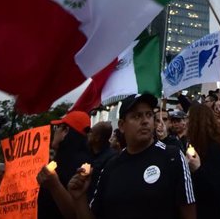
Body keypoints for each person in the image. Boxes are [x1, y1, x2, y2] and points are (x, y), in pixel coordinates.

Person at [67, 94, 196, 219]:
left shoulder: (172, 156)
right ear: (122, 126)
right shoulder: (110, 167)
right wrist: (80, 199)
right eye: (137, 116)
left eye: (149, 115)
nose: (145, 121)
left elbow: (188, 212)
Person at [186, 103, 220, 219]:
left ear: (196, 122)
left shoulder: (216, 148)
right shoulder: (200, 146)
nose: (185, 122)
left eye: (188, 118)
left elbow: (218, 187)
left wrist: (197, 170)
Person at [37, 111, 92, 219]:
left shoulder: (83, 167)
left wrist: (54, 185)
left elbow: (77, 213)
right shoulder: (63, 160)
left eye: (56, 128)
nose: (54, 132)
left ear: (65, 131)